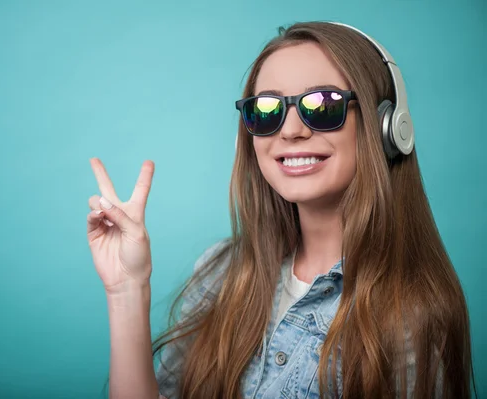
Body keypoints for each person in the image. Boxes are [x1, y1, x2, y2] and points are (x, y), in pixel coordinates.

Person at [86, 21, 476, 399]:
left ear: (388, 127)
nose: (290, 131)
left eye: (323, 105)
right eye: (268, 110)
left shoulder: (410, 316)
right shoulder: (220, 271)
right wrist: (126, 290)